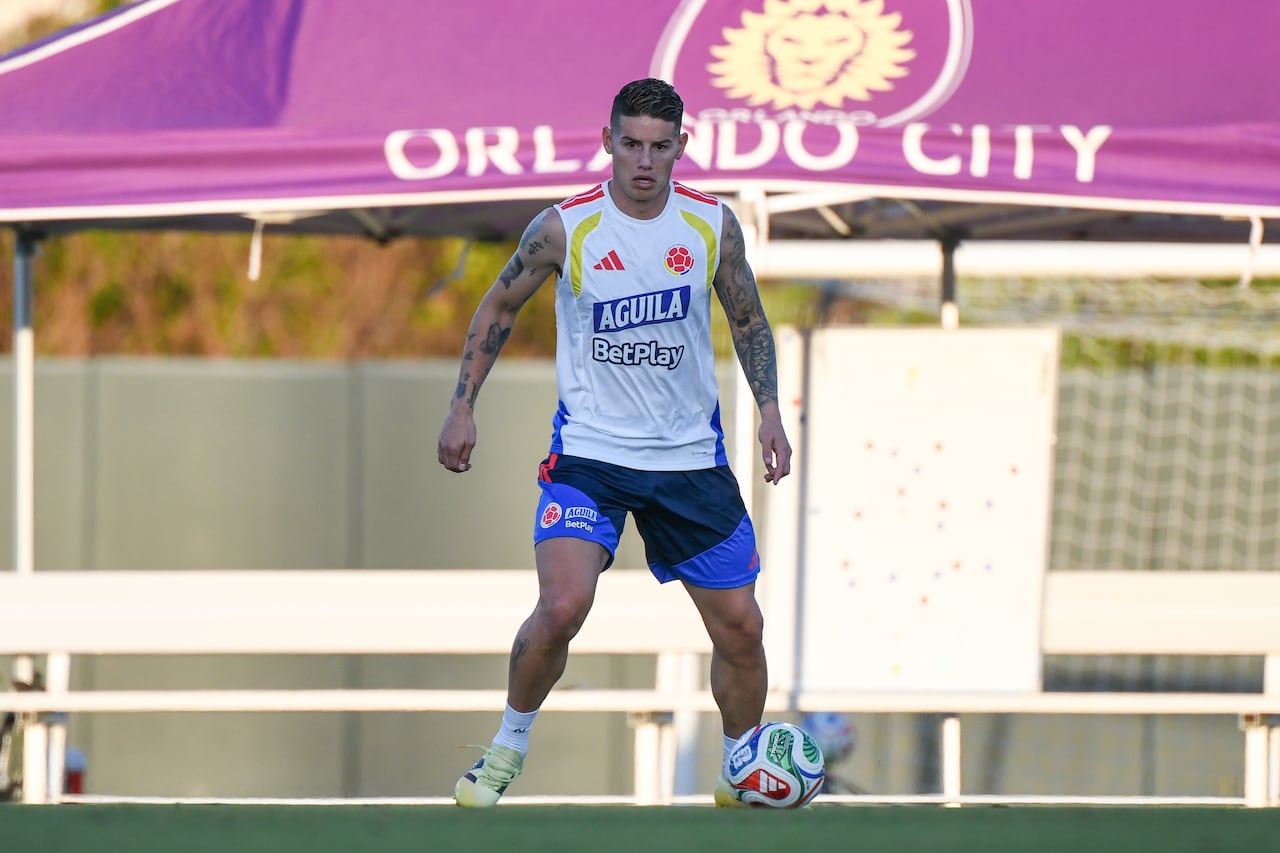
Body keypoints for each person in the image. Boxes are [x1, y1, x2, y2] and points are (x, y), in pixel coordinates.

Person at [437, 77, 792, 808]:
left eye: (660, 147)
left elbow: (750, 322)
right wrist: (461, 405)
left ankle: (740, 768)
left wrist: (770, 411)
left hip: (689, 459)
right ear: (607, 142)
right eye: (630, 143)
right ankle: (506, 748)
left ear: (680, 148)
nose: (643, 160)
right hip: (592, 455)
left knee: (742, 628)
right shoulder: (566, 228)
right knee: (563, 605)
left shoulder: (710, 226)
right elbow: (499, 302)